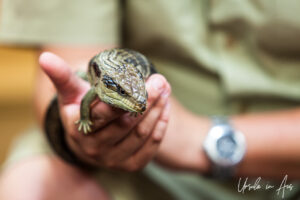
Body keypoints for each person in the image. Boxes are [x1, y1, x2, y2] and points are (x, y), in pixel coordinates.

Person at [0, 0, 300, 199]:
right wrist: (82, 134)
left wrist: (199, 139)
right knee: (30, 188)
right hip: (132, 167)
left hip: (286, 170)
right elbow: (70, 67)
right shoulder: (99, 87)